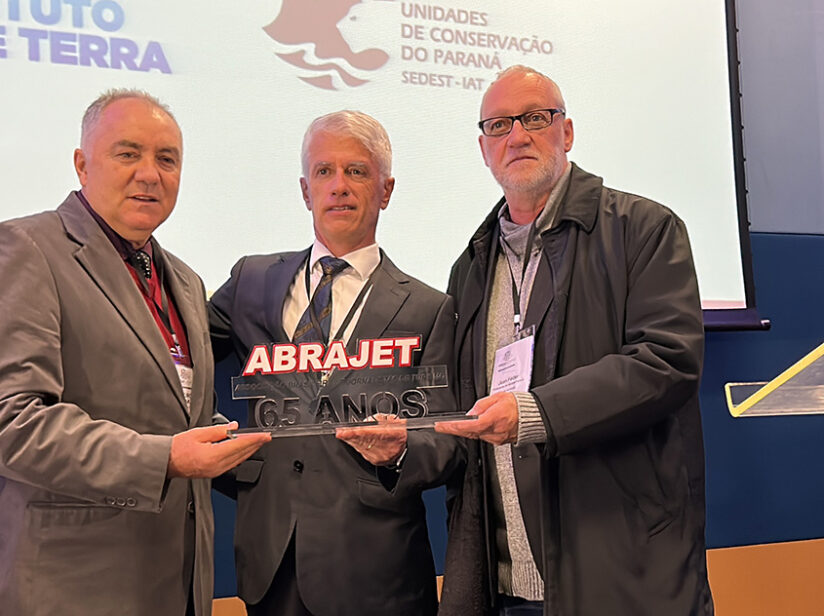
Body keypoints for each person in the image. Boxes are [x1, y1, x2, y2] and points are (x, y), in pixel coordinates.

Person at [0, 89, 269, 616]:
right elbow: (3, 423)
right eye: (128, 153)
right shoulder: (22, 250)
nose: (150, 173)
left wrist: (287, 438)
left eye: (167, 159)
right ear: (81, 164)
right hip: (63, 591)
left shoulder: (185, 281)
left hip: (173, 586)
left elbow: (171, 415)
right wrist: (164, 457)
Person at [435, 65, 714, 615]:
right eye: (498, 126)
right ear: (483, 148)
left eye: (535, 118)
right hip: (506, 585)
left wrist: (535, 411)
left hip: (619, 576)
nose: (517, 136)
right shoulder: (470, 265)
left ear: (566, 133)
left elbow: (667, 360)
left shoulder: (643, 228)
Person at [208, 110, 463, 616]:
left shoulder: (429, 308)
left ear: (386, 190)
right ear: (306, 191)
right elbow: (181, 354)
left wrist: (399, 451)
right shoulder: (251, 280)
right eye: (324, 172)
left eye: (357, 171)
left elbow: (449, 440)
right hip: (270, 561)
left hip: (377, 572)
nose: (339, 186)